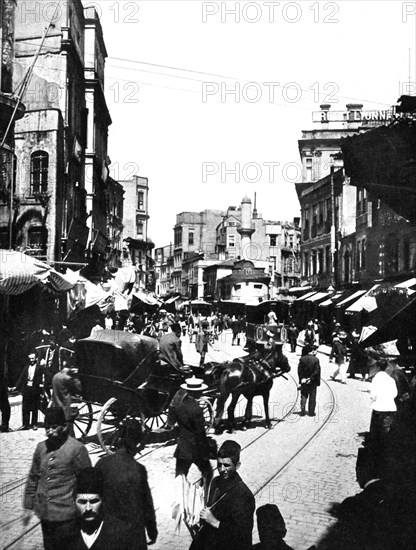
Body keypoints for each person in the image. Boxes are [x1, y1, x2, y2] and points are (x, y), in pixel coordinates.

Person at [23, 407, 92, 550]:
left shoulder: (77, 449)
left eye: (54, 427)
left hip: (67, 518)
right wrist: (28, 506)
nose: (49, 431)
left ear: (65, 426)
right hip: (46, 515)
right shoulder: (41, 448)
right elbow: (33, 478)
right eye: (47, 427)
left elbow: (88, 484)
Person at [96, 421, 158, 548]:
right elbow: (147, 504)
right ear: (136, 443)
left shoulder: (102, 464)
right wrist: (152, 530)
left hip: (108, 531)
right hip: (133, 535)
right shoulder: (138, 469)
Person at [191, 440, 255, 550]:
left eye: (226, 465)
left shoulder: (244, 495)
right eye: (219, 465)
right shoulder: (215, 482)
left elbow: (243, 535)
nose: (222, 470)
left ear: (237, 465)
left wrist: (215, 522)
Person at [72, 467, 136, 550]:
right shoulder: (62, 535)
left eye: (94, 501)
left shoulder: (123, 533)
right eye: (82, 502)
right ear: (74, 502)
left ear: (103, 501)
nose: (88, 508)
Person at [168, 376, 212, 486]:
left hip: (182, 448)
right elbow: (200, 431)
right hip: (196, 449)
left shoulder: (179, 404)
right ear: (198, 392)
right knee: (208, 473)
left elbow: (171, 422)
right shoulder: (196, 409)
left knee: (180, 477)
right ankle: (205, 497)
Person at [368, 359, 398, 468]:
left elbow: (373, 394)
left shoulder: (376, 379)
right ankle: (386, 455)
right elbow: (395, 394)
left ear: (377, 367)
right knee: (386, 431)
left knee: (375, 432)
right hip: (390, 408)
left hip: (378, 408)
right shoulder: (391, 379)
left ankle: (375, 457)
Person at [14, 352, 51, 430]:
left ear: (36, 359)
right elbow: (21, 377)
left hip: (35, 390)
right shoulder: (26, 367)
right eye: (30, 358)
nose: (31, 360)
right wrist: (16, 387)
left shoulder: (40, 367)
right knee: (25, 408)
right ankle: (25, 424)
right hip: (27, 389)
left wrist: (44, 384)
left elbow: (48, 375)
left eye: (33, 358)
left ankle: (34, 424)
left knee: (35, 407)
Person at [52, 366, 82, 435]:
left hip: (56, 403)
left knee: (60, 424)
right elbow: (78, 389)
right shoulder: (67, 378)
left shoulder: (55, 376)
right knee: (69, 427)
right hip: (66, 405)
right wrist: (75, 377)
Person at [298, 345, 321, 417]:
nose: (316, 352)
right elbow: (316, 371)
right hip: (312, 381)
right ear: (313, 351)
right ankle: (311, 412)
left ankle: (302, 409)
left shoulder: (302, 359)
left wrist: (302, 379)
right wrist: (310, 378)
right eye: (316, 351)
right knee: (312, 396)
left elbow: (299, 371)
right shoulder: (316, 360)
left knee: (304, 395)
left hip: (304, 381)